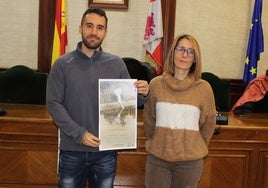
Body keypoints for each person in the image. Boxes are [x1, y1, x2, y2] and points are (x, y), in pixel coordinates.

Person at [46, 8, 149, 188]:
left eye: (100, 28)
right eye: (89, 26)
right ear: (80, 28)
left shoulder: (116, 64)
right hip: (72, 150)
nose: (94, 32)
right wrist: (80, 134)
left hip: (105, 153)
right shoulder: (62, 64)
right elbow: (54, 104)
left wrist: (143, 93)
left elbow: (131, 103)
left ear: (105, 33)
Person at [143, 34, 216, 188]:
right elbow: (149, 120)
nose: (185, 55)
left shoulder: (204, 88)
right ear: (173, 53)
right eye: (181, 49)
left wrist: (193, 145)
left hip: (190, 163)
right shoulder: (156, 84)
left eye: (190, 52)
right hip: (158, 160)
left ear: (195, 58)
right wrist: (156, 141)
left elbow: (209, 124)